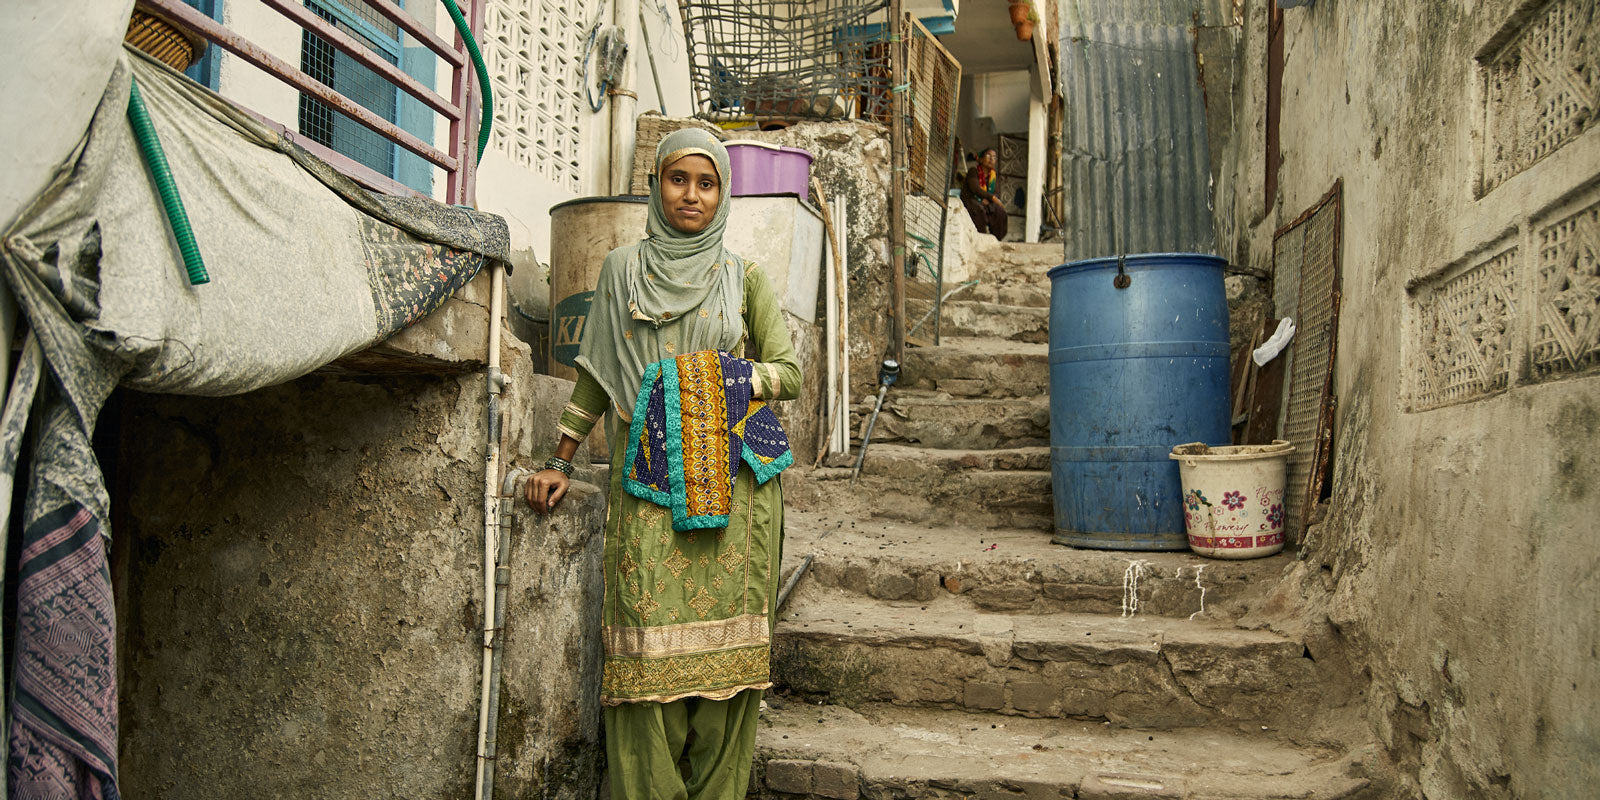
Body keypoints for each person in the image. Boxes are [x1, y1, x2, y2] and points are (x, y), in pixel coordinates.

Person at [525, 127, 801, 800]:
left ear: (724, 194)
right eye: (679, 179)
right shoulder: (622, 270)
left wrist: (722, 380)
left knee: (727, 669)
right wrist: (559, 459)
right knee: (644, 661)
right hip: (646, 489)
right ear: (655, 186)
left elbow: (789, 372)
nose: (692, 195)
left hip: (734, 495)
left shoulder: (745, 277)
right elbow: (597, 373)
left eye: (707, 183)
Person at [961, 147, 1009, 240]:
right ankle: (980, 238)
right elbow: (975, 188)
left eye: (994, 157)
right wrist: (991, 198)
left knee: (1000, 212)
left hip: (987, 201)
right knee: (978, 210)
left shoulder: (994, 176)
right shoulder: (973, 171)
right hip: (972, 199)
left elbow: (996, 192)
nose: (991, 159)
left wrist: (990, 199)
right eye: (988, 156)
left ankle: (996, 240)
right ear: (981, 159)